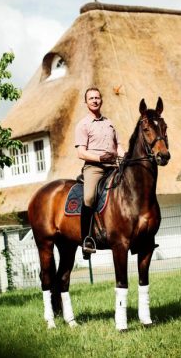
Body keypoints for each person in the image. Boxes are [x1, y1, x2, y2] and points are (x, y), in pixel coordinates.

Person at [75, 87, 125, 257]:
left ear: (101, 100)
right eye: (91, 98)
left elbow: (118, 145)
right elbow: (81, 152)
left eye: (97, 97)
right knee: (89, 197)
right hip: (94, 167)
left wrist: (124, 157)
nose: (95, 100)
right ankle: (86, 239)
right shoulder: (83, 125)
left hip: (113, 166)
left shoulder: (109, 123)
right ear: (86, 102)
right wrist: (99, 159)